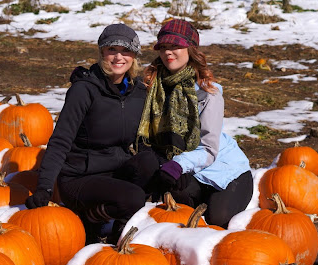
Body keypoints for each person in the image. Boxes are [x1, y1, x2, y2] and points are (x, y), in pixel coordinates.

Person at [25, 24, 148, 243]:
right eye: (112, 50)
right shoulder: (84, 90)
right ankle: (90, 219)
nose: (119, 57)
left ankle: (119, 227)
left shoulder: (138, 93)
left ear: (134, 56)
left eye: (126, 50)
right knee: (133, 197)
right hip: (80, 176)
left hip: (115, 170)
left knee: (149, 164)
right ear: (102, 52)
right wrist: (44, 187)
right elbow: (60, 140)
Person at [137, 19, 253, 228]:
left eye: (175, 46)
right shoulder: (152, 86)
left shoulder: (207, 93)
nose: (168, 52)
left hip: (224, 171)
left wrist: (178, 165)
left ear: (191, 49)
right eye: (163, 47)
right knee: (179, 210)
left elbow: (209, 149)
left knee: (218, 220)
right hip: (185, 170)